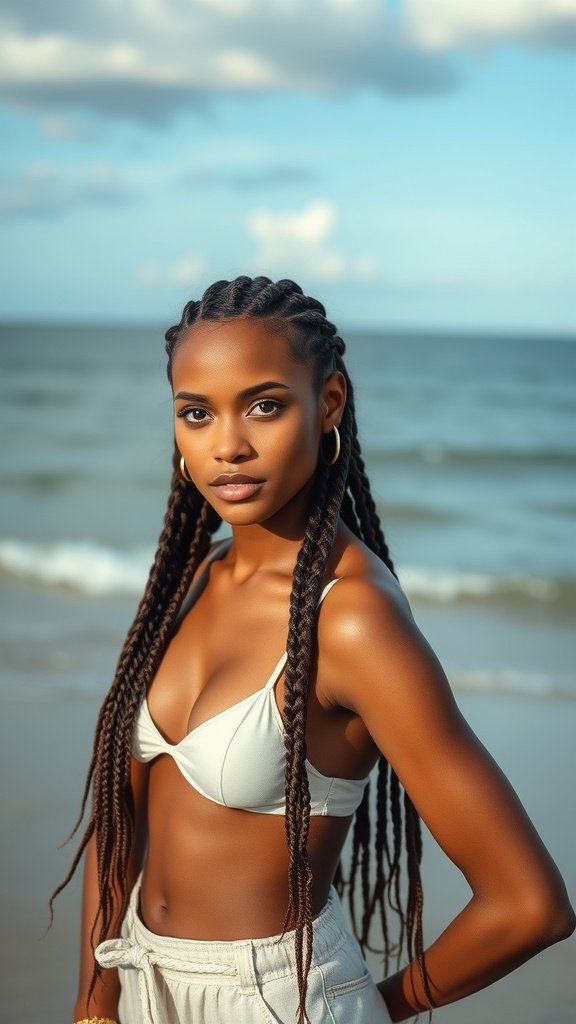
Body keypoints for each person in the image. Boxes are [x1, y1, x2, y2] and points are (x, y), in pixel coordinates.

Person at [56, 276, 574, 1024]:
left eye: (264, 405)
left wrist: (367, 1008)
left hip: (276, 1000)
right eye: (196, 414)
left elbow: (531, 906)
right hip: (140, 978)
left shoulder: (352, 620)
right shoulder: (199, 573)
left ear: (327, 403)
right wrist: (95, 1000)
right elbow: (122, 813)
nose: (227, 445)